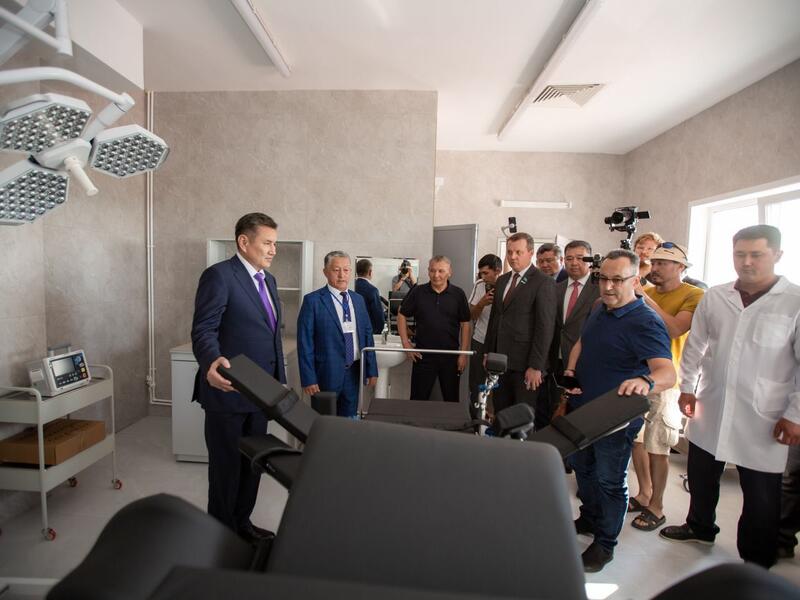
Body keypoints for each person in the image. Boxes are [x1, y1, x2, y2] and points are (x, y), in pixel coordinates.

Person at [660, 225, 800, 569]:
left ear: (777, 255)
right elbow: (696, 346)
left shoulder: (794, 302)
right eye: (740, 254)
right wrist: (688, 387)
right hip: (712, 402)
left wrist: (795, 414)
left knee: (760, 493)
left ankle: (756, 559)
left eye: (756, 254)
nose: (747, 262)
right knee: (701, 473)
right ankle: (700, 526)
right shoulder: (717, 296)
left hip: (765, 413)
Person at [564, 249, 675, 572]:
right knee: (583, 469)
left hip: (614, 417)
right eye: (603, 279)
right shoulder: (600, 307)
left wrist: (645, 381)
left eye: (617, 280)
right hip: (583, 407)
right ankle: (590, 517)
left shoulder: (646, 322)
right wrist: (570, 371)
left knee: (609, 480)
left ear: (635, 281)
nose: (608, 286)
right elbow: (583, 342)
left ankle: (605, 543)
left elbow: (667, 374)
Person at [191, 212, 285, 544]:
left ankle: (242, 524)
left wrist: (278, 381)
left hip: (260, 394)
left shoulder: (268, 280)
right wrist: (210, 361)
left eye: (275, 244)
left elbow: (272, 336)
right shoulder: (219, 276)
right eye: (267, 243)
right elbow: (204, 329)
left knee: (252, 465)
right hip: (228, 390)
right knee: (226, 470)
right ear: (244, 242)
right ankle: (220, 537)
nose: (273, 250)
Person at [627, 242, 704, 532]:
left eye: (663, 263)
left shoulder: (694, 295)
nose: (655, 268)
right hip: (639, 376)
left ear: (680, 267)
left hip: (668, 381)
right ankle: (644, 493)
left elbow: (674, 328)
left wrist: (644, 297)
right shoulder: (650, 291)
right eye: (654, 262)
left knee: (658, 445)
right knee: (636, 441)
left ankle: (657, 506)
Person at [484, 232, 556, 418]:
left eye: (518, 252)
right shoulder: (502, 281)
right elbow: (495, 319)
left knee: (521, 418)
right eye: (509, 252)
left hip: (526, 365)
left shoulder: (543, 282)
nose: (513, 257)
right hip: (500, 361)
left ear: (530, 253)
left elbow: (545, 328)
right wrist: (488, 353)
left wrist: (536, 366)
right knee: (501, 413)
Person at [297, 251, 378, 418]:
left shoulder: (358, 300)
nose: (342, 275)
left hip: (353, 373)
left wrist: (371, 369)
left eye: (346, 270)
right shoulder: (313, 301)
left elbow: (367, 335)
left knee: (348, 423)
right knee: (323, 423)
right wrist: (308, 378)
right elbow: (305, 343)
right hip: (325, 374)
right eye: (336, 270)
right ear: (325, 272)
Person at [398, 256, 471, 402]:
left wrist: (463, 354)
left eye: (441, 271)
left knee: (451, 399)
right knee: (417, 400)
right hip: (423, 356)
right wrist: (406, 343)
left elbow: (466, 324)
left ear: (449, 272)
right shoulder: (418, 292)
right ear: (428, 271)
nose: (436, 275)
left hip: (450, 356)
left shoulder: (458, 294)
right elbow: (401, 314)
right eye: (432, 270)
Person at [545, 240, 600, 430]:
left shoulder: (600, 288)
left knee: (580, 414)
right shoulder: (556, 288)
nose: (574, 262)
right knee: (554, 408)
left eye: (580, 258)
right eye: (569, 258)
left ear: (590, 260)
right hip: (556, 359)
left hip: (585, 360)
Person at [467, 254, 502, 415]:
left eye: (486, 273)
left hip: (500, 343)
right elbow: (471, 315)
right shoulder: (480, 284)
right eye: (481, 273)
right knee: (476, 383)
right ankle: (476, 420)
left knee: (498, 386)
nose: (483, 276)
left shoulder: (509, 284)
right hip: (480, 340)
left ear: (498, 271)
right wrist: (482, 303)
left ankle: (494, 419)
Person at [354, 258, 385, 335]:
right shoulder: (372, 290)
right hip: (369, 331)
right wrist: (378, 331)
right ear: (370, 272)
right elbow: (378, 315)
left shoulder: (351, 287)